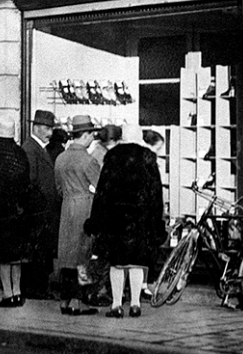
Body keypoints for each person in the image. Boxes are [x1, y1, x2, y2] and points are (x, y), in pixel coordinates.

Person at [85, 125, 165, 318]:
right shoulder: (148, 159)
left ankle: (116, 305)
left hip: (116, 220)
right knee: (136, 264)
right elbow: (156, 196)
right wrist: (157, 224)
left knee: (116, 265)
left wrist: (95, 221)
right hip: (140, 221)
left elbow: (102, 194)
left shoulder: (112, 158)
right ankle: (136, 304)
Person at [54, 115, 102, 316]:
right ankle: (78, 300)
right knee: (83, 254)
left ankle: (65, 300)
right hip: (84, 207)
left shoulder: (61, 158)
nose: (93, 139)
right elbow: (101, 187)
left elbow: (57, 187)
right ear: (87, 135)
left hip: (67, 207)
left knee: (66, 254)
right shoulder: (88, 160)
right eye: (92, 135)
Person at [0, 116, 32, 308]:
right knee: (16, 257)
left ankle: (7, 294)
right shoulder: (21, 154)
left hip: (1, 213)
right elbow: (27, 184)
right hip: (20, 212)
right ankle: (18, 293)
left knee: (4, 257)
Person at [23, 109, 61, 299]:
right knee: (38, 252)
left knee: (42, 251)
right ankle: (36, 289)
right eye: (46, 128)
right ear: (36, 128)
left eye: (51, 128)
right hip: (39, 211)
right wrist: (42, 206)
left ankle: (39, 288)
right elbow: (31, 181)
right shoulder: (30, 149)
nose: (50, 133)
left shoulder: (38, 148)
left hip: (44, 211)